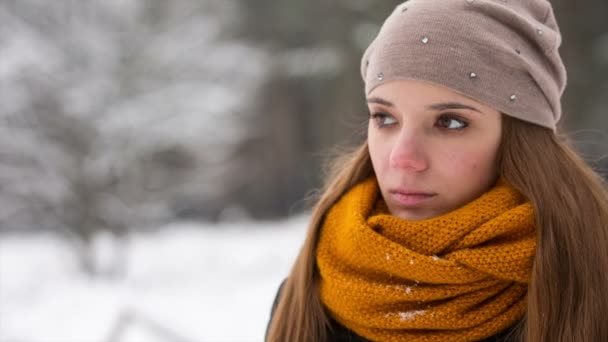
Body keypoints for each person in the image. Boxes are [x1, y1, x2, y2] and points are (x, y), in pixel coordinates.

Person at [265, 0, 608, 341]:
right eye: (384, 118)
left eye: (451, 122)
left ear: (518, 141)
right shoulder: (307, 293)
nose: (403, 158)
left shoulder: (588, 294)